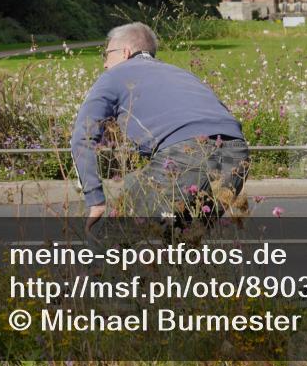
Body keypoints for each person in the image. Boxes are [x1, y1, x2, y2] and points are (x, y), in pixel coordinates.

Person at [71, 22, 249, 232]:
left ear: (125, 52)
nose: (105, 64)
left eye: (106, 54)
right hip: (237, 155)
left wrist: (96, 201)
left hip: (185, 154)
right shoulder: (182, 73)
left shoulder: (114, 75)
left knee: (108, 236)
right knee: (182, 239)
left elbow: (83, 137)